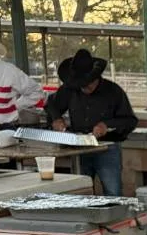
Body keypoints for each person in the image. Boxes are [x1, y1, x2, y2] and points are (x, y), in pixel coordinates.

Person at [46, 49, 138, 197]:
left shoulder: (113, 91)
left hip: (106, 147)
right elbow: (50, 104)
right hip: (78, 148)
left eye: (87, 84)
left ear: (96, 77)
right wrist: (56, 118)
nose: (84, 88)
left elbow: (130, 121)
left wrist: (107, 125)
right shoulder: (71, 89)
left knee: (113, 192)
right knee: (80, 192)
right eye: (81, 85)